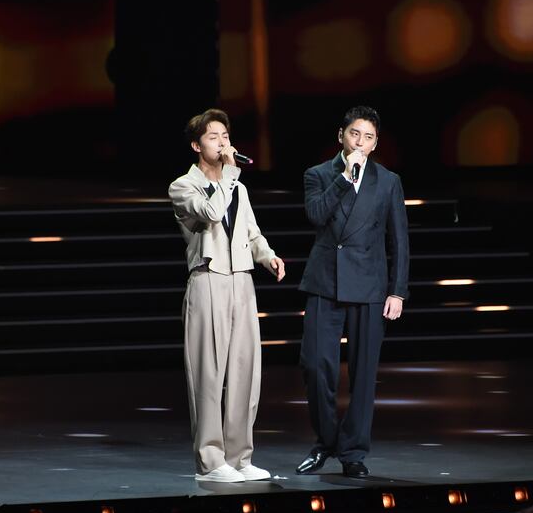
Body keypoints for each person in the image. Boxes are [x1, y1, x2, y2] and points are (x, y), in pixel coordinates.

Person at [169, 108, 286, 482]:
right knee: (208, 373)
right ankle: (210, 461)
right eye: (213, 137)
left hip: (241, 282)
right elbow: (211, 212)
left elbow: (250, 232)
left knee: (244, 372)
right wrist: (230, 175)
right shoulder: (183, 187)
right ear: (196, 145)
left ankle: (239, 457)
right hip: (208, 280)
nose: (222, 142)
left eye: (224, 135)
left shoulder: (240, 188)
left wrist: (268, 257)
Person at [295, 105, 410, 478]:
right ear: (341, 136)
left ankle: (353, 451)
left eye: (368, 137)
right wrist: (344, 178)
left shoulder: (388, 182)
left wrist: (398, 291)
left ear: (376, 143)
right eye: (354, 134)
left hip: (370, 283)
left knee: (363, 374)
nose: (360, 142)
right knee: (315, 366)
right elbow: (315, 214)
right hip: (325, 281)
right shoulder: (318, 175)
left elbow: (400, 240)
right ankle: (327, 440)